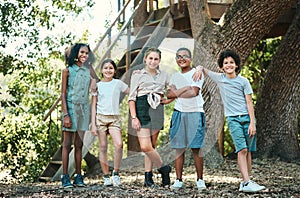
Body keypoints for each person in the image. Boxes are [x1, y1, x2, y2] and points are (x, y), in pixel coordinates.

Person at [195, 49, 265, 193]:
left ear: (236, 65)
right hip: (233, 120)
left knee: (249, 151)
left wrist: (252, 123)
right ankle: (246, 182)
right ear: (221, 66)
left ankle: (246, 181)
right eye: (226, 63)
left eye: (231, 62)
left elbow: (249, 103)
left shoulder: (243, 81)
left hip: (247, 118)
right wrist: (198, 68)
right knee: (242, 149)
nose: (229, 65)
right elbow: (204, 70)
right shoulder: (220, 78)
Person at [128, 47, 173, 188]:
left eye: (156, 59)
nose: (153, 61)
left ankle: (148, 177)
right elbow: (131, 98)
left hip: (157, 108)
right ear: (145, 59)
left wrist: (168, 100)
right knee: (145, 146)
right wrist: (134, 117)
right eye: (151, 58)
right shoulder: (137, 75)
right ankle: (164, 168)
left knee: (152, 145)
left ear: (159, 61)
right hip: (142, 108)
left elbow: (173, 90)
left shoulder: (164, 75)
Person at [166, 47, 207, 191]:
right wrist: (184, 89)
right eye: (178, 56)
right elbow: (169, 94)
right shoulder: (175, 76)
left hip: (195, 113)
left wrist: (177, 92)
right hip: (179, 113)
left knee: (196, 148)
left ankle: (200, 179)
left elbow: (194, 92)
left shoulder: (197, 73)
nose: (181, 58)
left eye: (185, 56)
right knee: (179, 148)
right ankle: (178, 180)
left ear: (190, 58)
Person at [61, 43, 95, 189]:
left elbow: (98, 81)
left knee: (79, 144)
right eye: (82, 52)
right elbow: (62, 94)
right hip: (70, 109)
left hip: (84, 110)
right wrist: (66, 115)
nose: (84, 55)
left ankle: (79, 176)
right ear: (76, 53)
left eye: (87, 53)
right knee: (67, 144)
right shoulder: (67, 70)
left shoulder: (89, 69)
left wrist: (94, 82)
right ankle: (65, 176)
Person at [90, 59, 129, 187]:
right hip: (100, 119)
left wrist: (138, 76)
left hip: (114, 119)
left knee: (119, 144)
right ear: (101, 70)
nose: (108, 70)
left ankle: (116, 174)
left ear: (114, 70)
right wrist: (93, 123)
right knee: (103, 147)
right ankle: (106, 176)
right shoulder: (98, 85)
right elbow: (94, 104)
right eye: (105, 68)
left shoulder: (118, 83)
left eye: (111, 68)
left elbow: (132, 91)